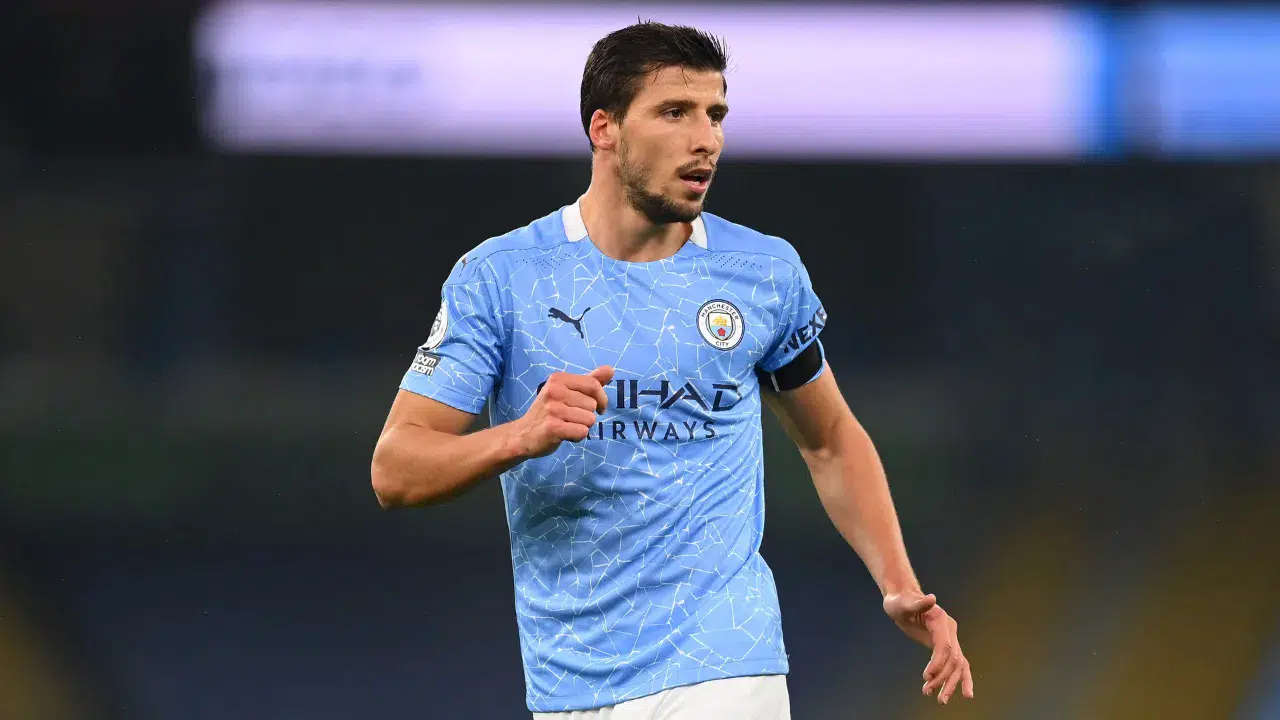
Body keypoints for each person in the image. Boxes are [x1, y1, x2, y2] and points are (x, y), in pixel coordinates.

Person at [370, 21, 974, 719]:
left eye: (715, 115)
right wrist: (519, 437)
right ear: (604, 128)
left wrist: (898, 584)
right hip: (569, 682)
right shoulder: (501, 278)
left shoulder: (761, 273)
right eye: (675, 112)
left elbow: (831, 439)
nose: (706, 139)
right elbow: (396, 470)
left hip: (725, 666)